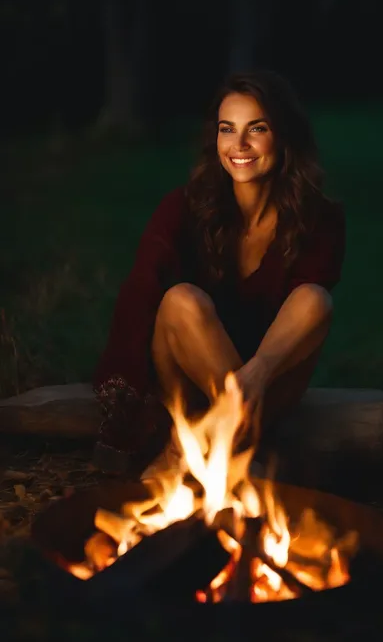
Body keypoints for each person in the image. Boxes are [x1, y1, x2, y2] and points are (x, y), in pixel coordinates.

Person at [93, 70, 346, 474]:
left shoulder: (320, 218)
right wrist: (122, 398)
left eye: (256, 129)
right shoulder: (184, 208)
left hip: (268, 385)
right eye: (228, 129)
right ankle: (236, 452)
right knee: (180, 301)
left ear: (284, 135)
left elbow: (310, 313)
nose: (239, 145)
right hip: (186, 381)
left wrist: (253, 376)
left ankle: (192, 447)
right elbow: (140, 292)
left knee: (315, 300)